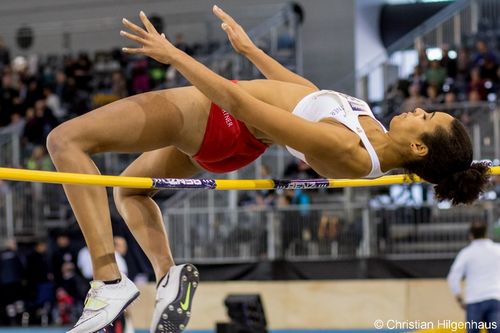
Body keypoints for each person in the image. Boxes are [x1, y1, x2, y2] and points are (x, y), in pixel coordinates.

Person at [45, 6, 490, 333]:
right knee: (129, 189)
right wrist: (251, 50)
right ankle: (168, 276)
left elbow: (243, 105)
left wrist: (173, 56)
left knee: (65, 140)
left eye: (426, 118)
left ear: (417, 146)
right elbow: (307, 95)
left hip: (219, 118)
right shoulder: (370, 129)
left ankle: (108, 280)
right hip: (231, 141)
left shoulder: (349, 150)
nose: (418, 108)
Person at [447, 220, 500, 333]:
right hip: (495, 299)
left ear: (471, 235)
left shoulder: (466, 253)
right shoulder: (497, 250)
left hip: (474, 301)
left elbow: (453, 277)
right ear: (486, 233)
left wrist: (459, 299)